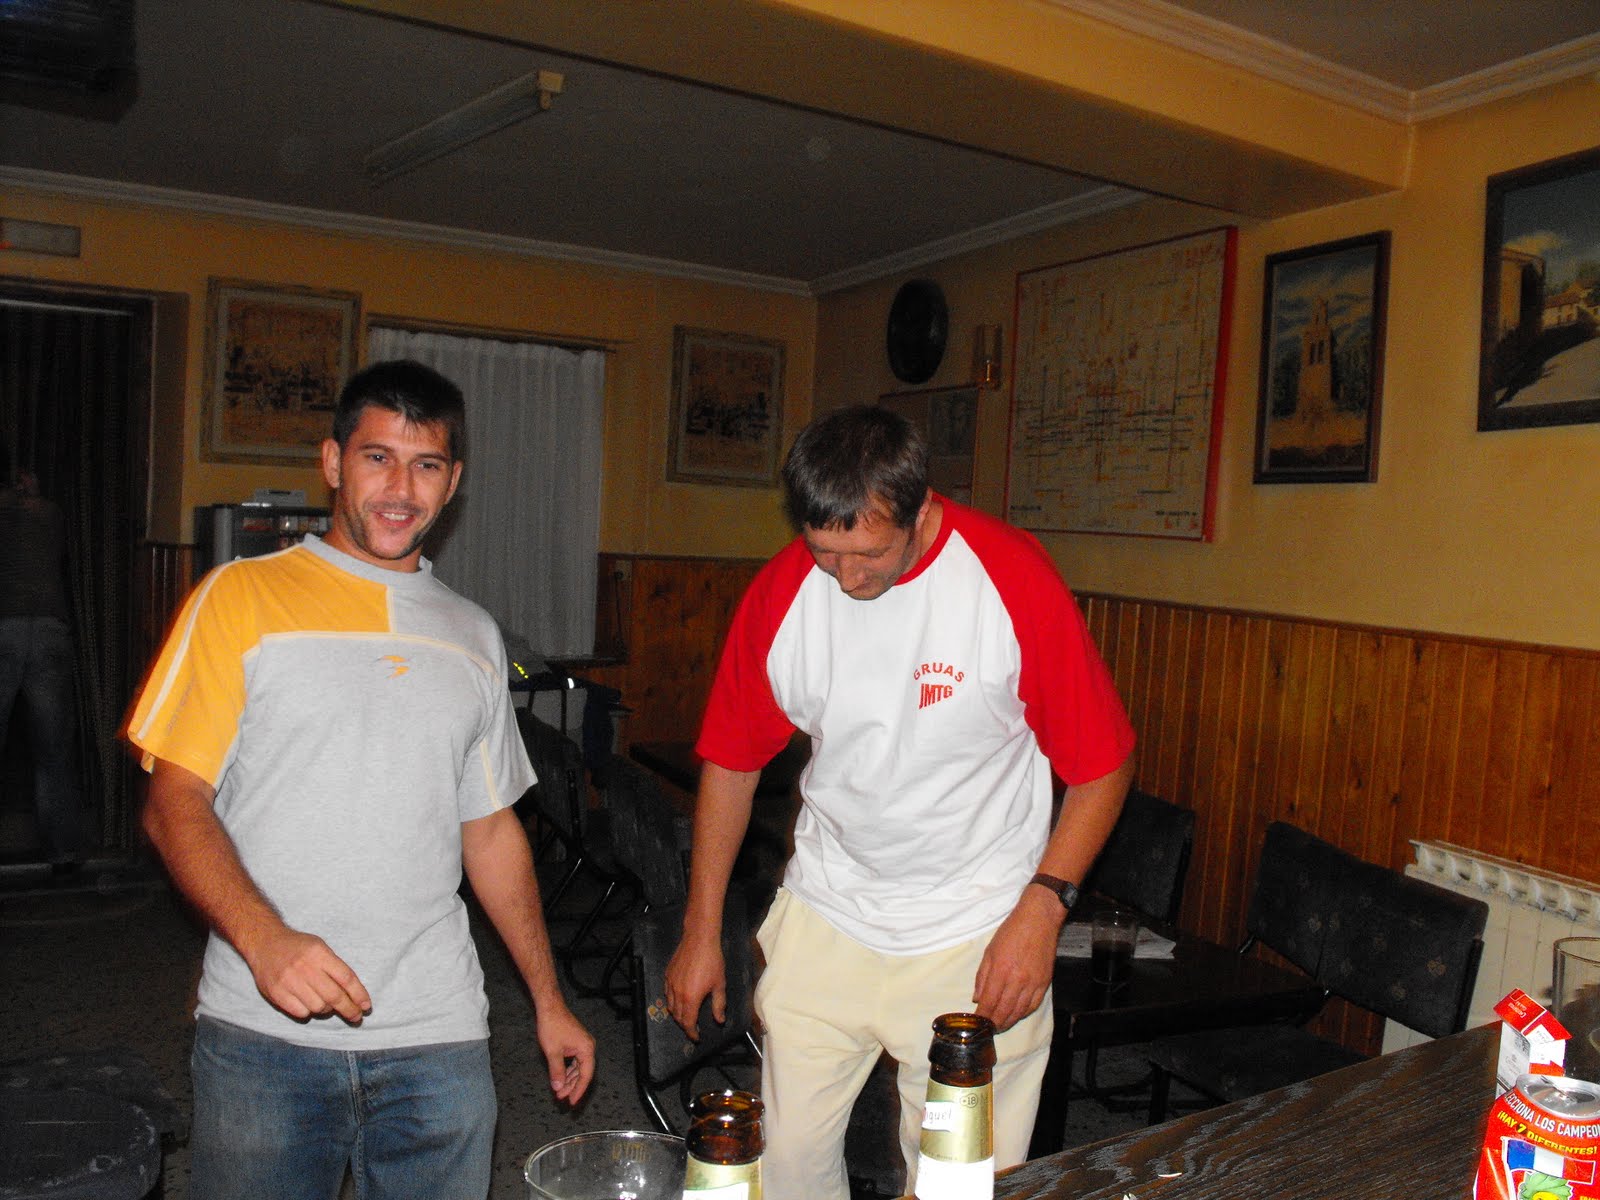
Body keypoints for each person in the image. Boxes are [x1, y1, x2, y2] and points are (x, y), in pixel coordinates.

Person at [127, 360, 595, 1200]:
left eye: (426, 465)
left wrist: (548, 999)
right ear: (333, 462)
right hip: (264, 1031)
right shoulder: (240, 597)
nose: (401, 489)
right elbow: (173, 804)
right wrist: (266, 941)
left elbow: (490, 832)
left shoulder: (474, 635)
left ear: (453, 481)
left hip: (439, 1033)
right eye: (378, 457)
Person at [665, 404, 1134, 1200]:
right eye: (826, 552)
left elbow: (1104, 767)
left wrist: (1042, 909)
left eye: (869, 554)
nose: (847, 578)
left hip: (975, 933)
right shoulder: (784, 592)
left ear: (921, 511)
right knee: (783, 1169)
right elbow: (732, 765)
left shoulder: (1009, 577)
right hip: (829, 912)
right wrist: (700, 929)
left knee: (956, 1184)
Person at [0, 450, 91, 869]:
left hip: (4, 625)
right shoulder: (50, 513)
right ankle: (63, 850)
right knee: (53, 750)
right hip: (50, 629)